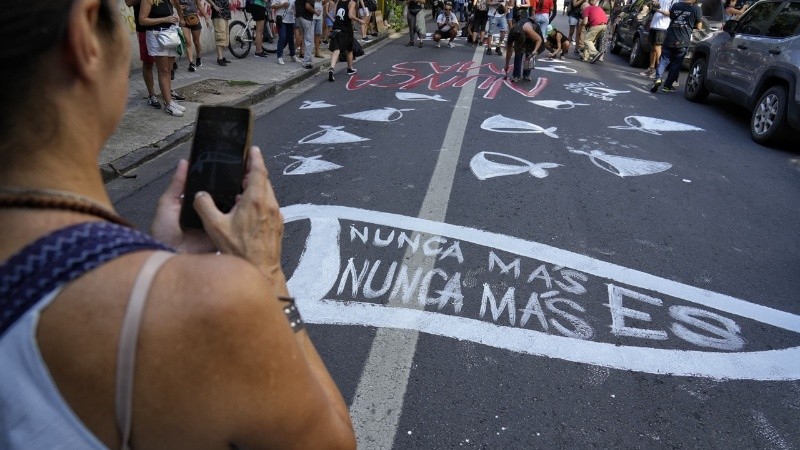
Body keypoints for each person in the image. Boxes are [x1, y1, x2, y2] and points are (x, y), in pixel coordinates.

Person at [0, 1, 357, 449]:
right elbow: (335, 442)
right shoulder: (207, 304)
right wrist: (267, 273)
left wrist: (161, 261)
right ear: (86, 34)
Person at [139, 0, 186, 117]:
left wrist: (176, 18)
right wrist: (165, 19)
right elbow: (142, 20)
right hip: (156, 35)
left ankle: (170, 101)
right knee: (163, 70)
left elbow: (177, 9)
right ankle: (168, 104)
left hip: (170, 34)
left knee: (169, 69)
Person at [651, 0, 702, 93]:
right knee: (676, 64)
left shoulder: (676, 5)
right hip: (683, 40)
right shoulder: (696, 9)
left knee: (663, 60)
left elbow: (672, 17)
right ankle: (667, 86)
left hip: (670, 37)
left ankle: (658, 78)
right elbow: (699, 26)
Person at [125, 0, 162, 109]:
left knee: (166, 63)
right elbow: (128, 2)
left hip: (163, 27)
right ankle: (152, 94)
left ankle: (167, 91)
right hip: (144, 29)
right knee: (148, 62)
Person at [328, 0, 365, 80]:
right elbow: (350, 15)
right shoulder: (352, 2)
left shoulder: (338, 2)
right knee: (349, 49)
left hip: (336, 27)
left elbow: (334, 14)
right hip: (346, 29)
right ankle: (349, 68)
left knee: (336, 49)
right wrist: (359, 20)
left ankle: (331, 69)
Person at [641, 0, 675, 78]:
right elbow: (652, 6)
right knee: (652, 48)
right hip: (654, 24)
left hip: (663, 26)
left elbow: (672, 13)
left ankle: (658, 70)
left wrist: (658, 10)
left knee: (658, 47)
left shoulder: (674, 1)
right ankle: (651, 68)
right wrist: (653, 3)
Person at [504, 16, 543, 81]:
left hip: (534, 35)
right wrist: (507, 64)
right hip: (522, 34)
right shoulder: (512, 33)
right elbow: (509, 49)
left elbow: (539, 39)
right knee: (518, 53)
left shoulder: (528, 29)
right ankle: (516, 76)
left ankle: (526, 75)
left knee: (529, 54)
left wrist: (535, 51)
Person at [179, 0, 206, 70]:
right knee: (188, 42)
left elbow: (199, 6)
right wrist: (179, 7)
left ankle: (198, 57)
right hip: (184, 20)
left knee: (196, 42)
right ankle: (191, 63)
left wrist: (206, 17)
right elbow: (172, 4)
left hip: (194, 19)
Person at [207, 0, 233, 65]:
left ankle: (221, 56)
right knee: (220, 36)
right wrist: (214, 5)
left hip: (225, 14)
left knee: (224, 36)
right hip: (218, 15)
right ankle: (219, 58)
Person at [273, 0, 298, 64]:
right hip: (281, 20)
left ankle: (293, 55)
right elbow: (272, 6)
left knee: (291, 39)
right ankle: (279, 56)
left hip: (291, 20)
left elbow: (295, 8)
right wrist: (282, 5)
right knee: (282, 37)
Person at [297, 0, 317, 68]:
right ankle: (306, 62)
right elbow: (308, 6)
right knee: (309, 41)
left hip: (300, 17)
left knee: (304, 38)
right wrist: (316, 12)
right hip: (307, 18)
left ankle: (295, 54)